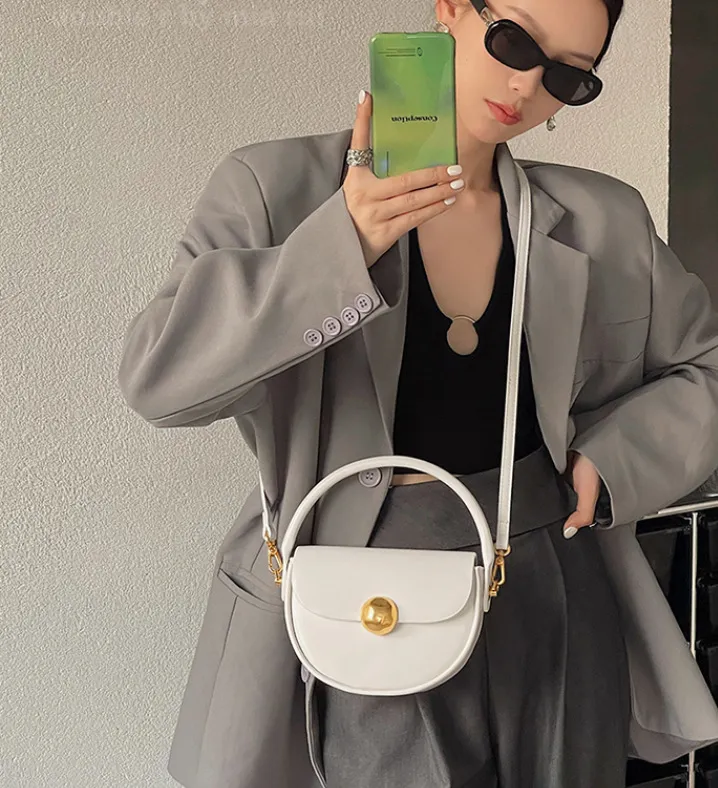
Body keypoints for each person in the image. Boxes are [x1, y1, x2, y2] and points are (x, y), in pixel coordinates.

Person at [117, 1, 718, 787]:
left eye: (568, 77)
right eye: (513, 40)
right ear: (450, 8)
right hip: (357, 585)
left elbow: (704, 369)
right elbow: (160, 381)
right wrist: (346, 243)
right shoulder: (275, 188)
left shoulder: (604, 220)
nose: (527, 84)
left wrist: (615, 462)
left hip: (551, 578)